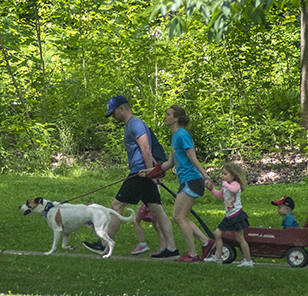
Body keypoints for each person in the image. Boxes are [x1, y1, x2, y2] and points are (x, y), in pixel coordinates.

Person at [84, 96, 179, 258]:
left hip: (140, 173)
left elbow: (146, 148)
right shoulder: (131, 125)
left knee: (116, 205)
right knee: (157, 210)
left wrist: (150, 171)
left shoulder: (135, 123)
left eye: (113, 113)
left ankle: (103, 244)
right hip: (144, 172)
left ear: (121, 108)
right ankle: (171, 249)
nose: (112, 116)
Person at [143, 105, 212, 262]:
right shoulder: (174, 136)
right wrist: (150, 171)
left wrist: (206, 176)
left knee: (179, 217)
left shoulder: (182, 135)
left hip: (192, 179)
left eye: (168, 114)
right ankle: (206, 242)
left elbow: (193, 157)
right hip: (185, 179)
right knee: (179, 217)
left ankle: (193, 254)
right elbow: (170, 163)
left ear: (176, 118)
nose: (165, 117)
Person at [203, 162, 254, 267]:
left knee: (240, 238)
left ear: (233, 175)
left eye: (225, 174)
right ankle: (218, 257)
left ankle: (248, 260)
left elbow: (234, 190)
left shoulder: (235, 184)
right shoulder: (226, 186)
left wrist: (225, 184)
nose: (222, 176)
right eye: (222, 173)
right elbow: (220, 195)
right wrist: (212, 190)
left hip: (237, 215)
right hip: (229, 216)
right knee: (217, 234)